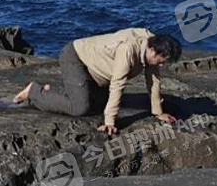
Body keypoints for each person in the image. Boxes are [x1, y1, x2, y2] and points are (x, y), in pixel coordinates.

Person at [13, 29, 182, 134]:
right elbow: (118, 83)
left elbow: (154, 80)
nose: (161, 65)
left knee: (99, 105)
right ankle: (34, 91)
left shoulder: (151, 45)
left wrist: (158, 112)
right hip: (76, 58)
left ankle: (52, 91)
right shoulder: (128, 49)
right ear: (152, 50)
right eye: (161, 61)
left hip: (96, 73)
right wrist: (109, 122)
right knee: (79, 108)